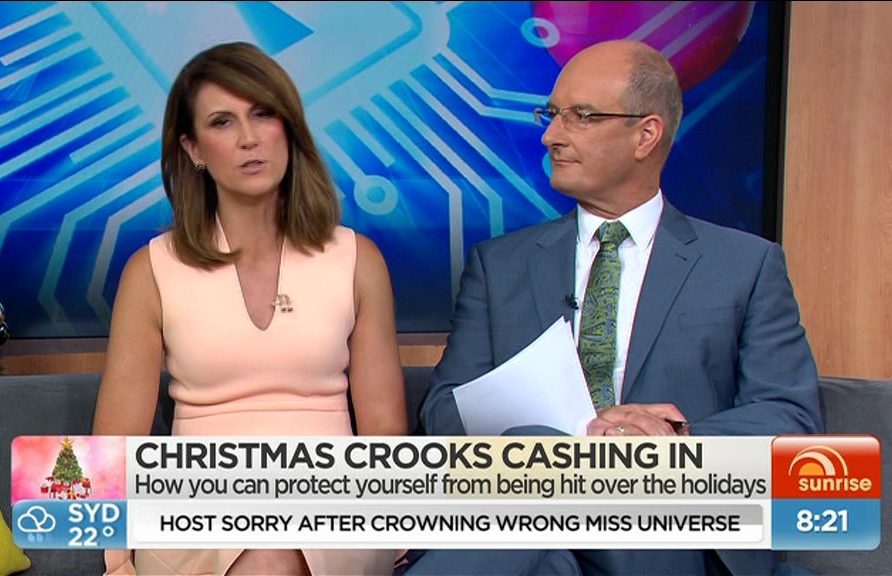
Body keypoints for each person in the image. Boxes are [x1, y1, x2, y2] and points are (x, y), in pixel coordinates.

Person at [419, 39, 823, 576]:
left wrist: (670, 444)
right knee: (539, 489)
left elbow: (790, 415)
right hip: (535, 525)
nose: (551, 135)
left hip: (670, 519)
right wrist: (563, 446)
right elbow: (444, 413)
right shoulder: (499, 265)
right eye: (552, 114)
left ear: (646, 134)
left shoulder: (744, 265)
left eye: (581, 116)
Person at [92, 41, 407, 576]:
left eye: (263, 114)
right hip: (197, 500)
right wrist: (118, 561)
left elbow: (383, 433)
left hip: (334, 497)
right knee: (265, 556)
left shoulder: (358, 260)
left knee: (273, 556)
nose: (249, 138)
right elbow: (117, 440)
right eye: (223, 121)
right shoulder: (151, 271)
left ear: (289, 128)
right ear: (193, 149)